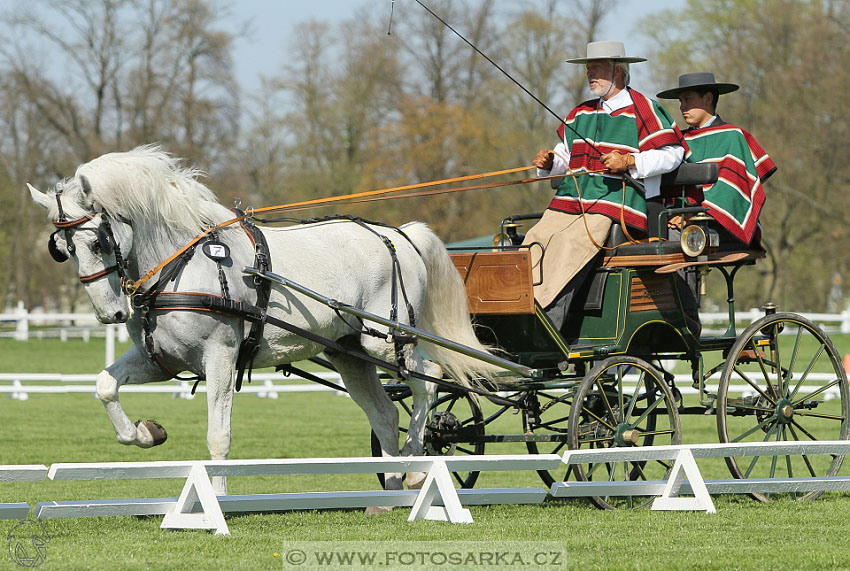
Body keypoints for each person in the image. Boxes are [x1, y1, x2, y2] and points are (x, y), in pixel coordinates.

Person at [526, 41, 688, 330]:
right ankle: (521, 308)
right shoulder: (580, 112)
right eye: (589, 69)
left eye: (597, 69)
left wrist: (629, 161)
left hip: (618, 204)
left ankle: (546, 323)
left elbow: (673, 154)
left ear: (618, 72)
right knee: (536, 236)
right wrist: (550, 163)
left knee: (568, 243)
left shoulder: (644, 109)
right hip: (572, 201)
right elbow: (565, 155)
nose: (591, 75)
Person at [656, 72, 776, 244]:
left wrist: (692, 215)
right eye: (681, 101)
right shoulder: (678, 141)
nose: (682, 107)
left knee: (678, 240)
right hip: (677, 219)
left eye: (688, 100)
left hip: (723, 223)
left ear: (708, 98)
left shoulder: (732, 136)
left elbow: (732, 190)